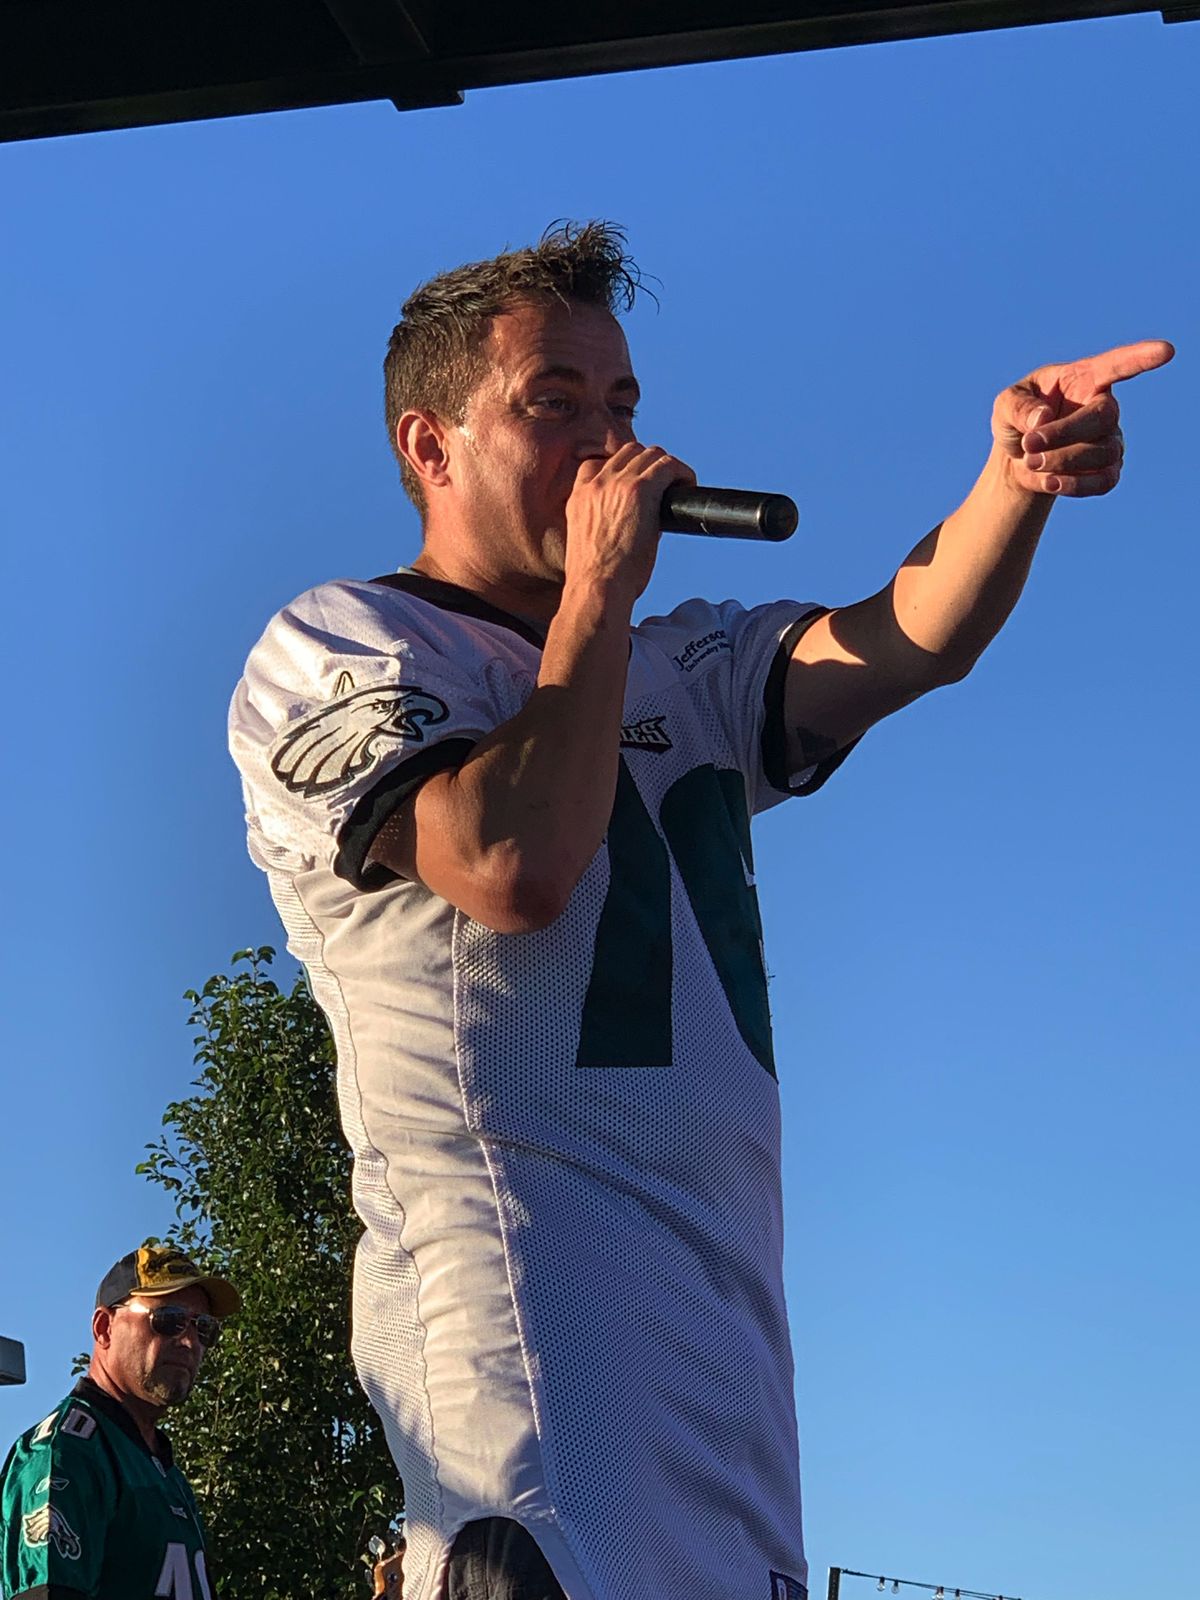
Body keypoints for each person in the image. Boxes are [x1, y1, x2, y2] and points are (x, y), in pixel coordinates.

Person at [227, 222, 1172, 1600]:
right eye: (556, 403)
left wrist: (1013, 481)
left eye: (623, 404)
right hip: (520, 1335)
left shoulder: (679, 663)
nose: (615, 447)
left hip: (722, 1345)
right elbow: (510, 864)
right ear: (431, 446)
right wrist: (598, 593)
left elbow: (911, 635)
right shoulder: (346, 644)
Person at [0, 1244, 239, 1600]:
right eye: (168, 1320)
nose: (189, 1342)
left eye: (204, 1328)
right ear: (104, 1328)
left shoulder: (164, 1471)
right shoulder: (65, 1452)